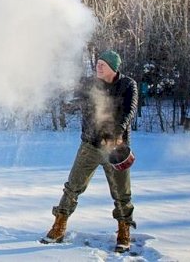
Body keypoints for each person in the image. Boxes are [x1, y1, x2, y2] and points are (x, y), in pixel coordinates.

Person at [41, 50, 139, 253]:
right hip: (90, 146)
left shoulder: (128, 84)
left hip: (115, 148)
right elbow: (74, 95)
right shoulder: (89, 84)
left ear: (114, 67)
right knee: (72, 187)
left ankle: (123, 231)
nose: (98, 66)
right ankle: (59, 225)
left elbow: (130, 109)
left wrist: (118, 132)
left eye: (103, 64)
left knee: (122, 194)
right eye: (98, 63)